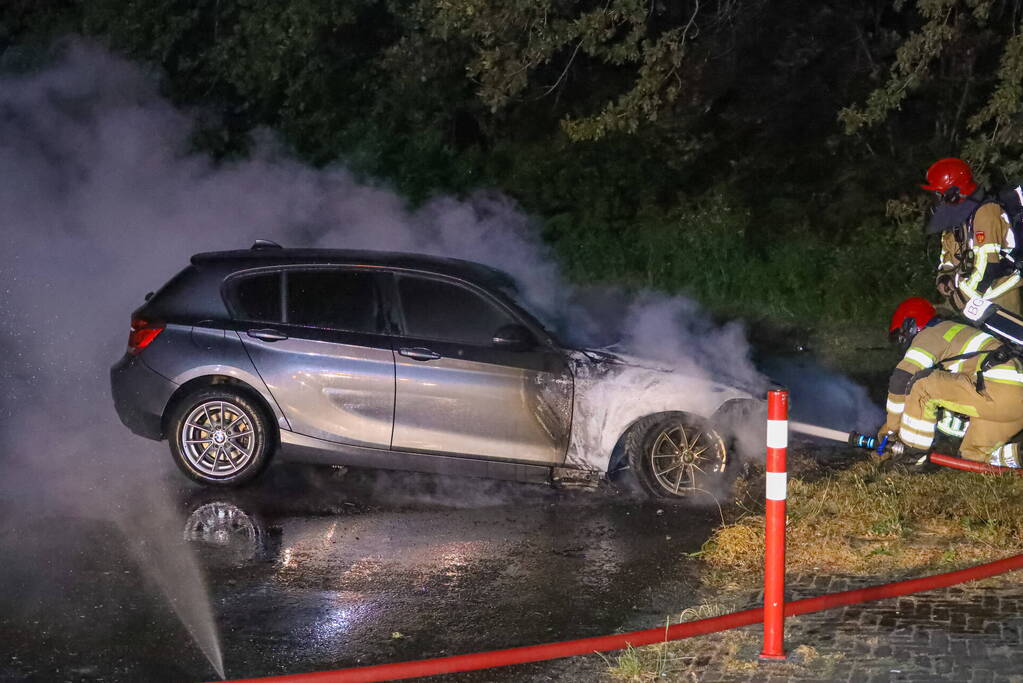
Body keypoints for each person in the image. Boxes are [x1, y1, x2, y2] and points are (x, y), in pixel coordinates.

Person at [879, 297, 1023, 467]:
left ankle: (912, 457)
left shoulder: (932, 332)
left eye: (900, 335)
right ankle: (1018, 454)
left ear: (910, 325)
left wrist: (891, 429)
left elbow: (902, 378)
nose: (902, 343)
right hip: (1011, 402)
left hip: (998, 389)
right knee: (972, 456)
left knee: (922, 385)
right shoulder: (957, 333)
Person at [922, 157, 1022, 315]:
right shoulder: (955, 215)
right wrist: (945, 276)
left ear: (953, 194)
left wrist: (959, 300)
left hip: (997, 297)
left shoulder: (986, 213)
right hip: (969, 297)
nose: (936, 200)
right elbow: (948, 253)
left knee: (1001, 340)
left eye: (938, 194)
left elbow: (988, 268)